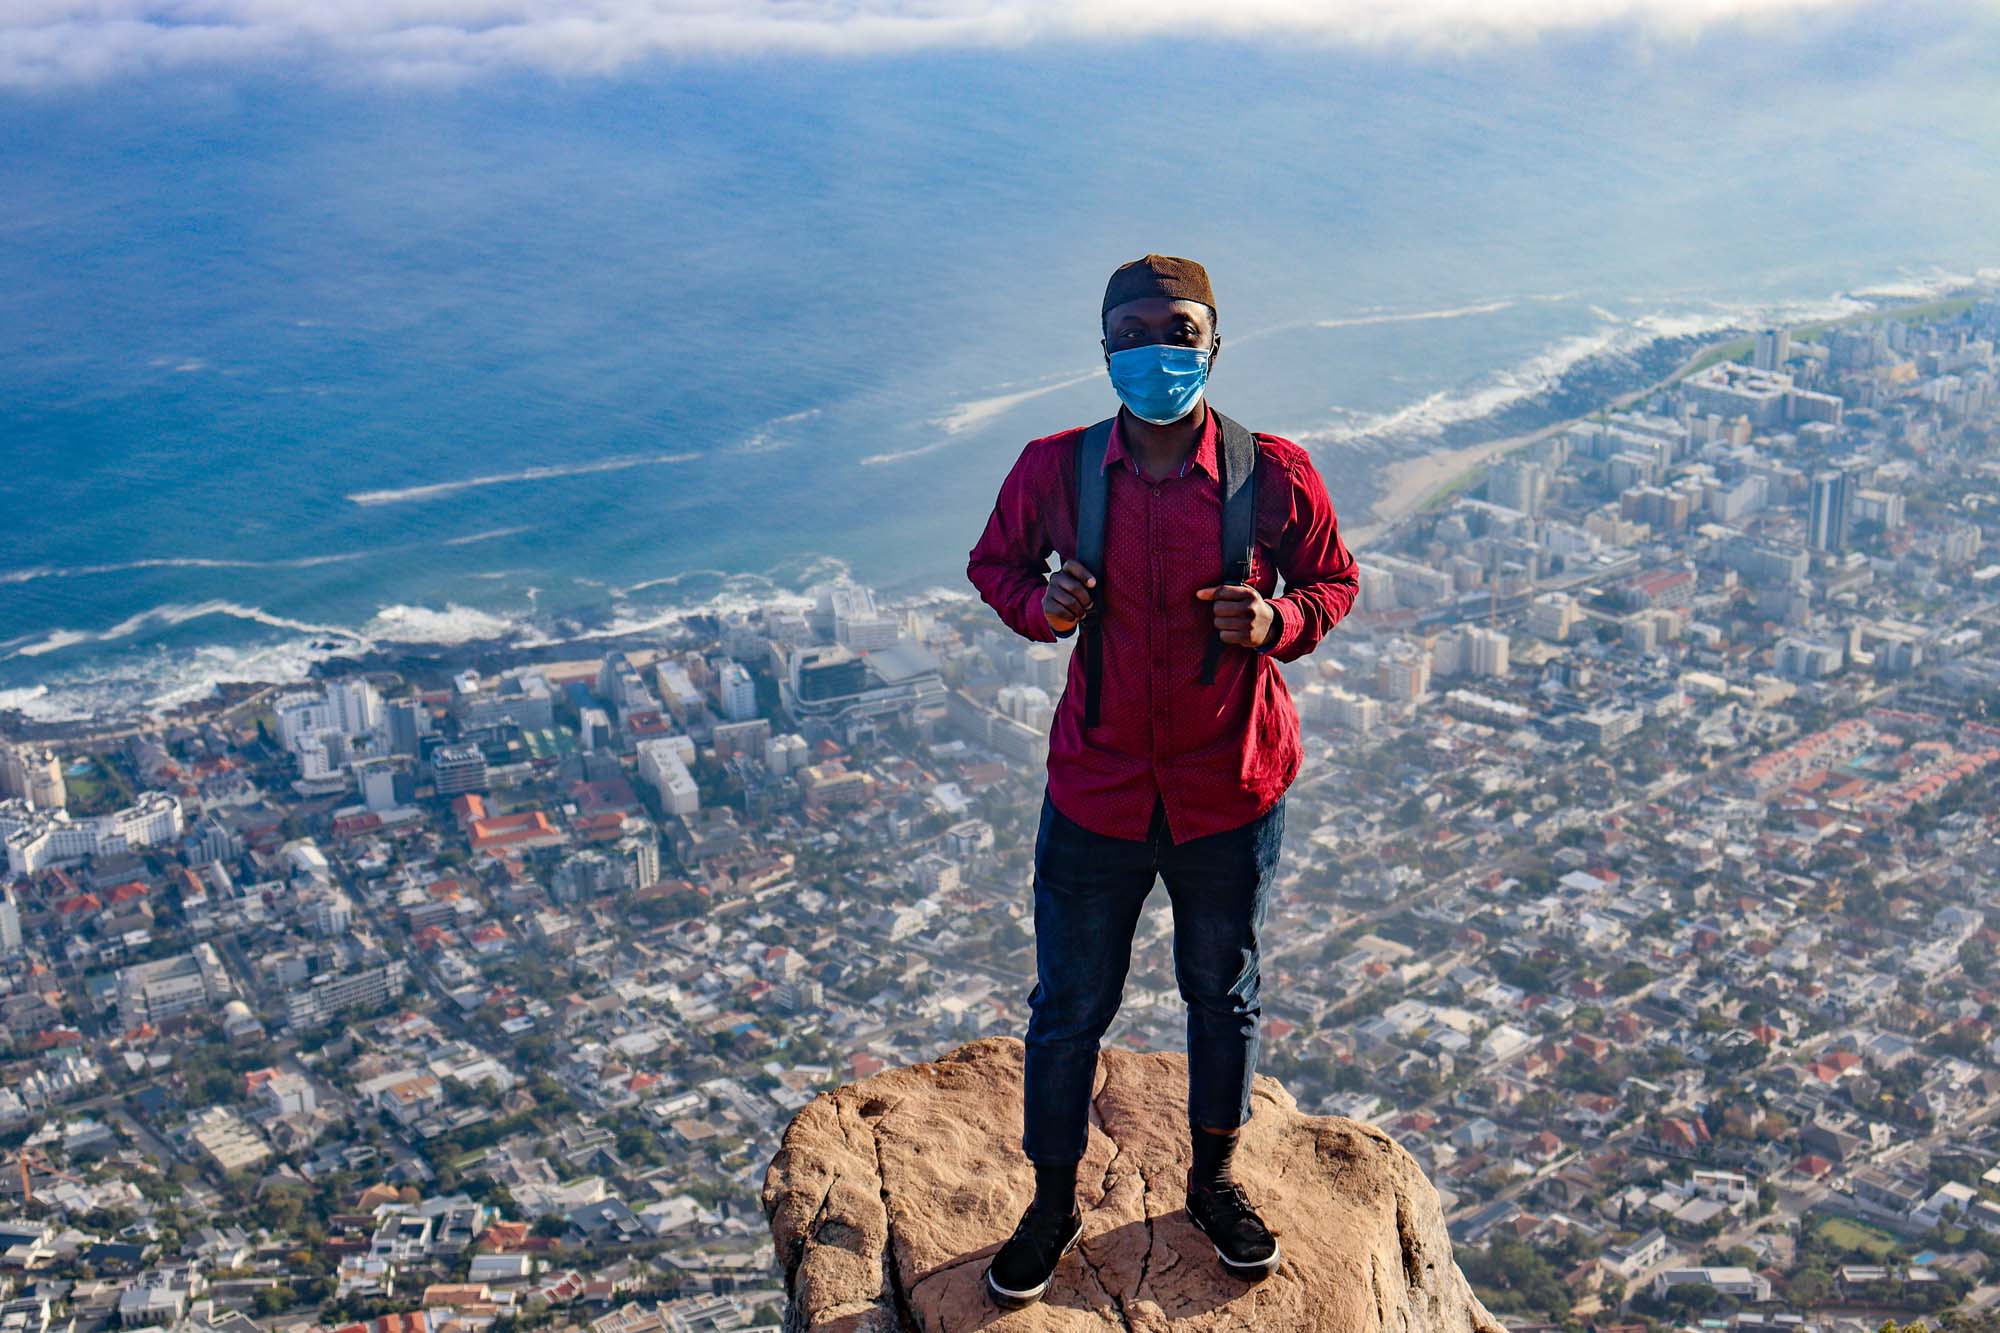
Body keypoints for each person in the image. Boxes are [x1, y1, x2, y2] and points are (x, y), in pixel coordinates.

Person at [965, 254, 1359, 1307]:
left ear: (1212, 343)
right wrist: (1042, 607)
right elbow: (993, 564)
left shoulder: (1269, 470)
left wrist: (1279, 622)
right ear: (1103, 349)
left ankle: (1215, 1184)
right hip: (1095, 786)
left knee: (1219, 995)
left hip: (1228, 782)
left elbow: (1332, 578)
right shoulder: (1053, 469)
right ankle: (1050, 1203)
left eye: (1177, 330)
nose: (1156, 350)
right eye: (1133, 331)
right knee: (1067, 1006)